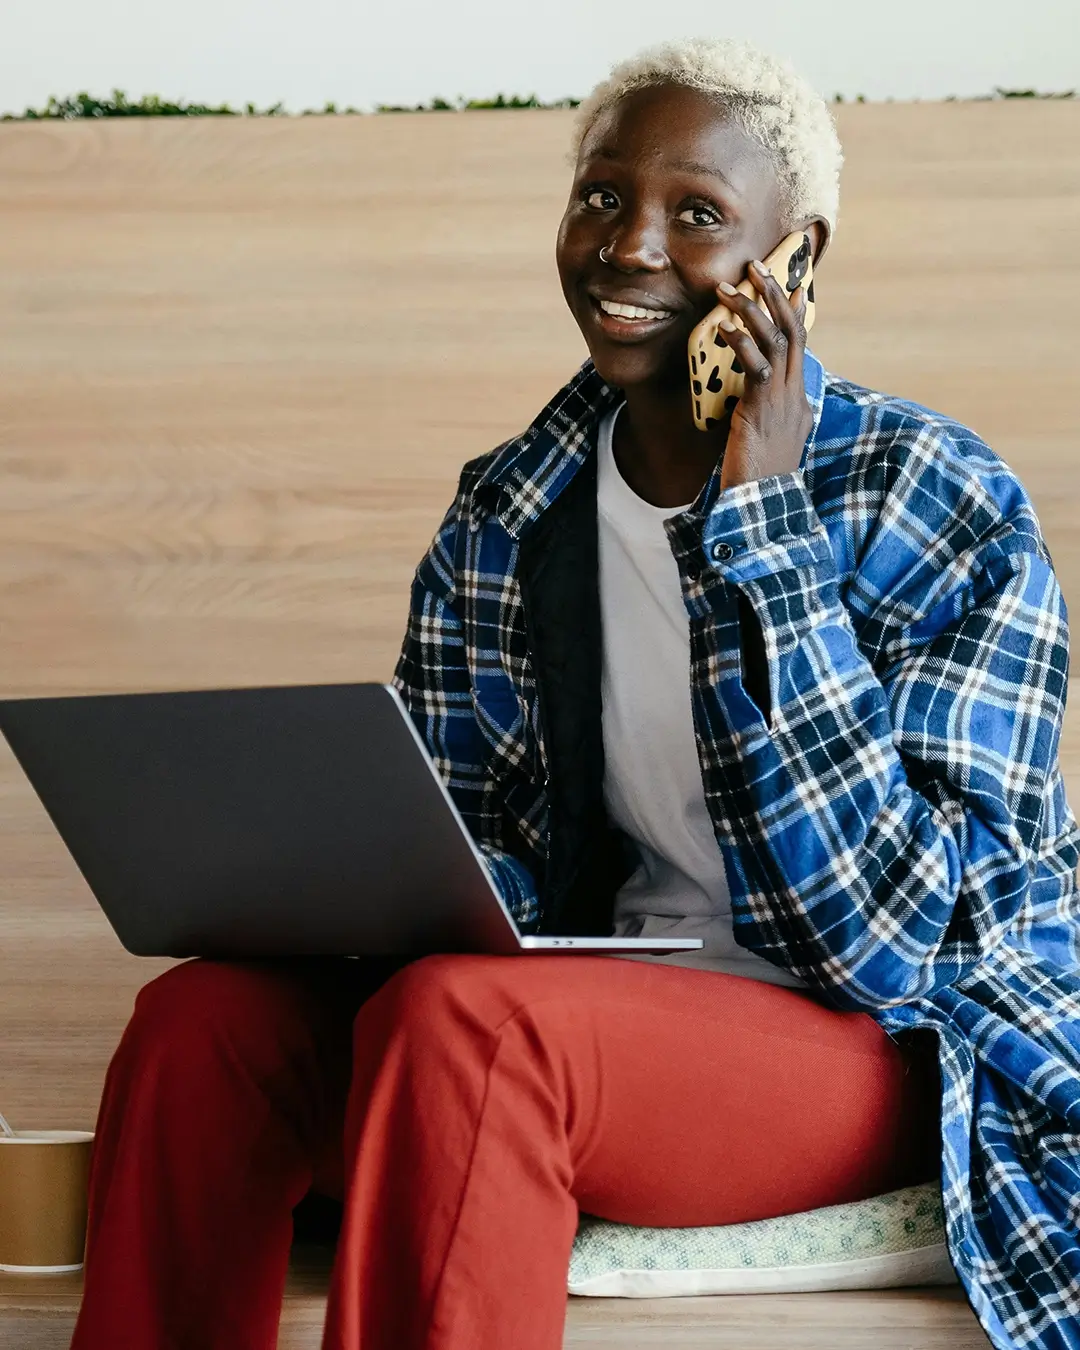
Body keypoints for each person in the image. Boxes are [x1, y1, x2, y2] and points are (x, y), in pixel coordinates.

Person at [70, 37, 1080, 1350]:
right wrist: (343, 882)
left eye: (698, 214)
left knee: (468, 1026)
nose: (631, 246)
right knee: (199, 1027)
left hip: (878, 1047)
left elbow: (900, 946)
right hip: (581, 1013)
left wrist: (763, 527)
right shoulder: (510, 509)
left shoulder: (934, 500)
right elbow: (466, 849)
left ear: (798, 257)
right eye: (603, 196)